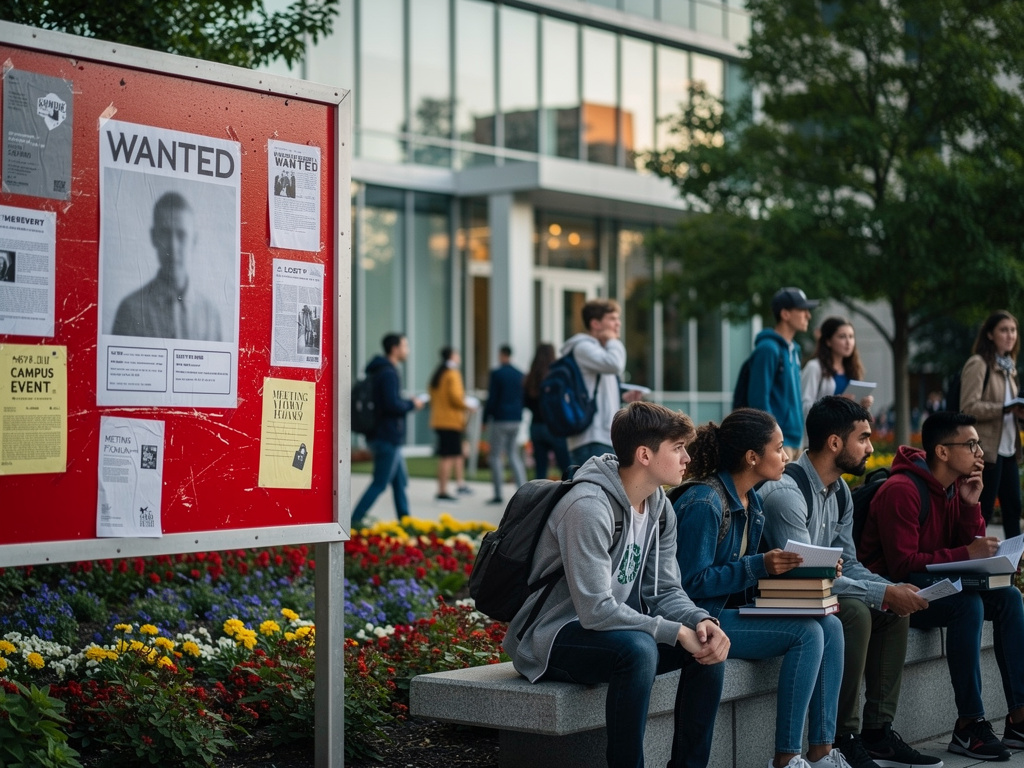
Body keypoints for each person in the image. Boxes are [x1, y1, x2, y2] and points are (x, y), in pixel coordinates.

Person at [503, 401, 730, 768]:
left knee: (707, 645)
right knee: (639, 650)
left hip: (607, 631)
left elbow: (665, 590)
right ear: (645, 455)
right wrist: (673, 631)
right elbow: (595, 611)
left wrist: (699, 620)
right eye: (677, 448)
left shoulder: (659, 508)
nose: (687, 458)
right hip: (551, 636)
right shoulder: (588, 506)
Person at [760, 396, 939, 768]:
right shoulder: (787, 495)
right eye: (864, 438)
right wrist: (882, 591)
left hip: (815, 595)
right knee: (856, 610)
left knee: (891, 610)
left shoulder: (840, 491)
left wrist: (889, 591)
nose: (871, 448)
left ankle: (877, 733)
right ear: (834, 443)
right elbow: (808, 576)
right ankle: (843, 736)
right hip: (776, 600)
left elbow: (850, 565)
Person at [673, 408, 848, 768]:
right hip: (701, 618)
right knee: (806, 634)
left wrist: (807, 570)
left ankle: (821, 752)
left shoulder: (752, 503)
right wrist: (759, 565)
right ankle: (786, 757)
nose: (786, 457)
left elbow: (746, 577)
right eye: (779, 448)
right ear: (752, 457)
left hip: (729, 610)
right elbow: (689, 585)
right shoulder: (705, 502)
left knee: (830, 625)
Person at [860, 410, 1024, 761]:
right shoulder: (901, 490)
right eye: (971, 444)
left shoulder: (954, 489)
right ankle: (969, 724)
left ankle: (1019, 718)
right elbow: (902, 565)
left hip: (933, 584)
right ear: (943, 452)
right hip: (894, 593)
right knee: (968, 604)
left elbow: (966, 553)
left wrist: (970, 506)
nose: (980, 452)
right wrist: (967, 552)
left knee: (1009, 597)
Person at [112, 191, 223, 341]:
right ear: (153, 237)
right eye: (165, 233)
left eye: (181, 235)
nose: (173, 246)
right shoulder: (130, 311)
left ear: (194, 240)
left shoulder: (211, 316)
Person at [959, 310, 1024, 538]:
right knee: (983, 510)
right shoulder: (978, 364)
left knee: (1013, 509)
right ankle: (973, 556)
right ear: (989, 334)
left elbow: (1010, 410)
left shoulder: (1010, 368)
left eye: (1013, 330)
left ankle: (1015, 558)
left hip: (1008, 450)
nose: (1010, 335)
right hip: (986, 452)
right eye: (1003, 330)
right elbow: (968, 407)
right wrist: (1003, 409)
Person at [350, 333, 425, 527]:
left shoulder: (379, 370)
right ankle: (353, 521)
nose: (407, 350)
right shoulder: (388, 373)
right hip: (387, 436)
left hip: (384, 435)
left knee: (399, 482)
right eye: (405, 346)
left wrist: (405, 402)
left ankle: (405, 522)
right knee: (380, 483)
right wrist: (413, 404)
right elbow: (392, 405)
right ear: (394, 348)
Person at [559, 298, 643, 466]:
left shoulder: (600, 350)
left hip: (603, 436)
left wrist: (622, 395)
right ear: (595, 324)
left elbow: (596, 388)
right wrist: (613, 340)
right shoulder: (584, 347)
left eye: (618, 319)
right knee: (597, 484)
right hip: (592, 438)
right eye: (612, 319)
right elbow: (615, 364)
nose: (618, 324)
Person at [746, 287, 819, 457]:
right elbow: (758, 399)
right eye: (802, 310)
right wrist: (772, 440)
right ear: (785, 314)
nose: (808, 315)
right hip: (778, 443)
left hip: (795, 440)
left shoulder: (794, 350)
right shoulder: (767, 349)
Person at [802, 317, 875, 419]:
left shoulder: (853, 369)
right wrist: (836, 402)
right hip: (824, 428)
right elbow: (803, 407)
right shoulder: (814, 367)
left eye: (851, 336)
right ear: (828, 341)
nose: (848, 342)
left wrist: (863, 405)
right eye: (842, 337)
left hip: (847, 428)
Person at [429, 347, 473, 501]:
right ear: (452, 356)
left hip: (440, 420)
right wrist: (468, 406)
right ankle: (442, 491)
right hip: (451, 421)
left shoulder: (439, 373)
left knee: (448, 455)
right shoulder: (452, 373)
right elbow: (456, 397)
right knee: (448, 457)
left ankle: (449, 487)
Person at [483, 344, 526, 504]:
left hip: (500, 419)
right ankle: (523, 492)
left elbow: (492, 398)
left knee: (495, 456)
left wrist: (485, 419)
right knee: (513, 455)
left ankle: (498, 494)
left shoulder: (497, 374)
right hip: (515, 419)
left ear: (501, 355)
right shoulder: (519, 374)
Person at [523, 342, 571, 480]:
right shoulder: (555, 376)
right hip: (554, 426)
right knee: (566, 468)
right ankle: (571, 493)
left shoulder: (531, 377)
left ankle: (540, 494)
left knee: (540, 472)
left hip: (536, 426)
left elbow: (526, 403)